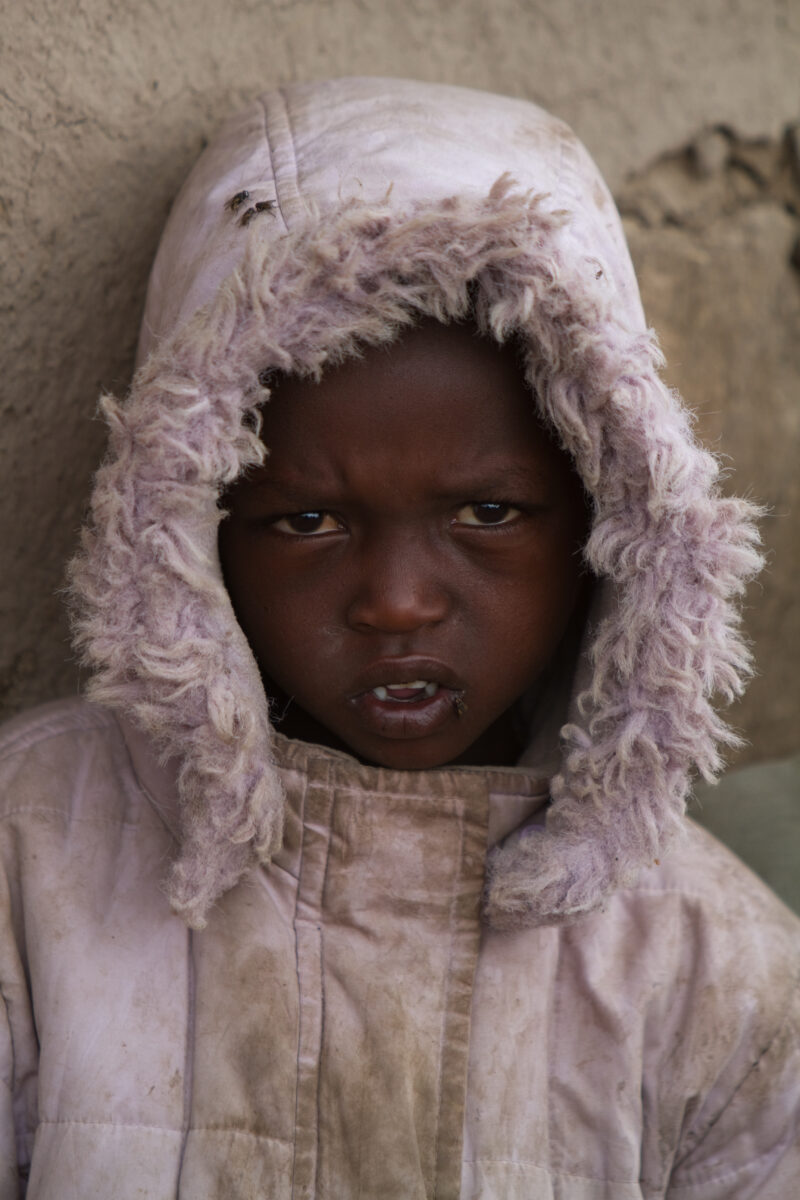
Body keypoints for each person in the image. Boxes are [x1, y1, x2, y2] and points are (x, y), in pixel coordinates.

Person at [0, 77, 797, 1198]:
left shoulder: (721, 977)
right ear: (186, 524)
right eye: (307, 520)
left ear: (610, 522)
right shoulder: (32, 860)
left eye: (485, 514)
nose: (396, 604)